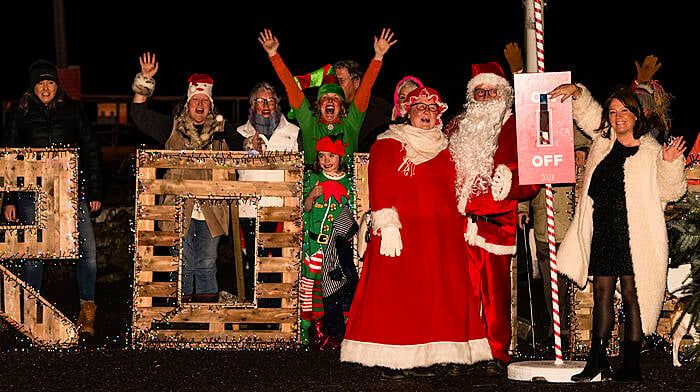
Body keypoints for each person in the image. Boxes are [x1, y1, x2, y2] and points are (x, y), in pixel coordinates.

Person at [341, 87, 492, 379]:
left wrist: (467, 216)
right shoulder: (389, 143)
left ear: (439, 114)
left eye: (431, 107)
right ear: (407, 111)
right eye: (419, 106)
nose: (425, 111)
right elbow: (380, 182)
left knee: (440, 297)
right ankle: (391, 357)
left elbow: (457, 187)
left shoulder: (449, 146)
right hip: (402, 234)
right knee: (397, 296)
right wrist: (385, 222)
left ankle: (444, 353)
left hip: (442, 235)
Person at [549, 83, 687, 382]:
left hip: (634, 233)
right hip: (603, 230)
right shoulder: (603, 140)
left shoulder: (650, 150)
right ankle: (596, 360)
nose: (617, 116)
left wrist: (670, 164)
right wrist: (577, 93)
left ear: (637, 115)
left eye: (624, 110)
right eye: (612, 112)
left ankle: (632, 363)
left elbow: (670, 192)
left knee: (631, 294)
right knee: (601, 292)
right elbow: (588, 113)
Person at [445, 62, 540, 375]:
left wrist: (509, 184)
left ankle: (496, 354)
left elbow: (533, 173)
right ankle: (463, 351)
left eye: (490, 91)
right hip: (458, 222)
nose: (484, 97)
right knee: (462, 291)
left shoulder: (516, 126)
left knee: (495, 294)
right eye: (479, 91)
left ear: (504, 94)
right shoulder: (456, 126)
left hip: (496, 222)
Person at [130, 52, 244, 302]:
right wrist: (145, 82)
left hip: (212, 210)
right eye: (196, 100)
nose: (200, 104)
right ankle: (182, 319)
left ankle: (204, 322)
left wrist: (255, 142)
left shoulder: (224, 131)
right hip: (177, 207)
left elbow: (248, 146)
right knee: (182, 264)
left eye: (205, 100)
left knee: (206, 264)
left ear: (211, 105)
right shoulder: (172, 127)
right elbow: (139, 115)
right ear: (187, 103)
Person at [2, 60, 103, 337]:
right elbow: (9, 156)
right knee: (34, 253)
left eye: (50, 82)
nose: (45, 88)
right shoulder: (19, 113)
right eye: (40, 83)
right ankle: (29, 312)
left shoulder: (72, 111)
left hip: (71, 191)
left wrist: (94, 192)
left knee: (87, 251)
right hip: (31, 194)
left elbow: (91, 149)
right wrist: (9, 199)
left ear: (57, 85)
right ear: (33, 86)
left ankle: (87, 310)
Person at [258, 28, 396, 165]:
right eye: (325, 98)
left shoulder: (351, 123)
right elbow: (291, 86)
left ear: (341, 106)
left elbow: (366, 88)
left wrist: (378, 57)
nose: (330, 100)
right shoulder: (310, 122)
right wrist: (273, 54)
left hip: (346, 184)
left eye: (335, 98)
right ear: (319, 104)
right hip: (313, 184)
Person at [237, 81, 300, 300]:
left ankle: (278, 313)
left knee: (281, 263)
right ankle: (257, 312)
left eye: (271, 100)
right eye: (260, 100)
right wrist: (246, 148)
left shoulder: (294, 132)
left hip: (282, 210)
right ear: (252, 104)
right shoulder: (239, 135)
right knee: (255, 262)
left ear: (277, 103)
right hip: (250, 211)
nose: (266, 105)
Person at [301, 136, 355, 347]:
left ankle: (337, 329)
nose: (326, 160)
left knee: (333, 287)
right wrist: (312, 196)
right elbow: (304, 210)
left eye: (332, 155)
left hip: (336, 248)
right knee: (309, 286)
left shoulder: (349, 182)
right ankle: (312, 326)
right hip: (315, 246)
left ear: (340, 157)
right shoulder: (311, 178)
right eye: (322, 156)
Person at [333, 59, 392, 152]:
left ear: (356, 83)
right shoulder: (325, 110)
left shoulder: (378, 111)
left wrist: (378, 56)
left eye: (341, 81)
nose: (335, 86)